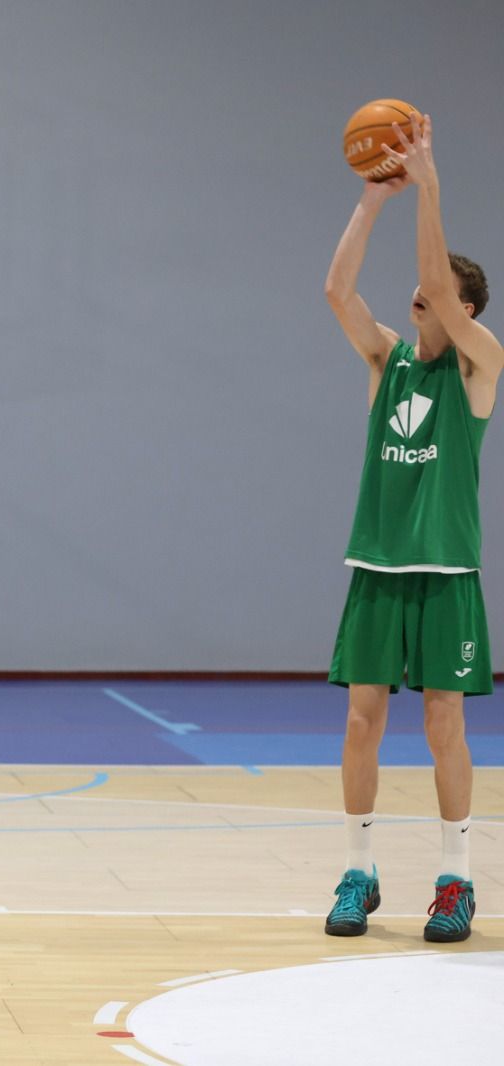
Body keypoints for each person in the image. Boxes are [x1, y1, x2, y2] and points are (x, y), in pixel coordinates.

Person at [322, 112, 501, 942]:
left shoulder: (479, 360)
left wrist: (430, 186)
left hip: (447, 572)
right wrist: (372, 201)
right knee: (362, 719)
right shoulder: (386, 360)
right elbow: (336, 292)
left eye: (433, 290)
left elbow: (434, 269)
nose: (416, 293)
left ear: (462, 308)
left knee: (443, 726)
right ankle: (358, 873)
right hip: (380, 566)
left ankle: (457, 882)